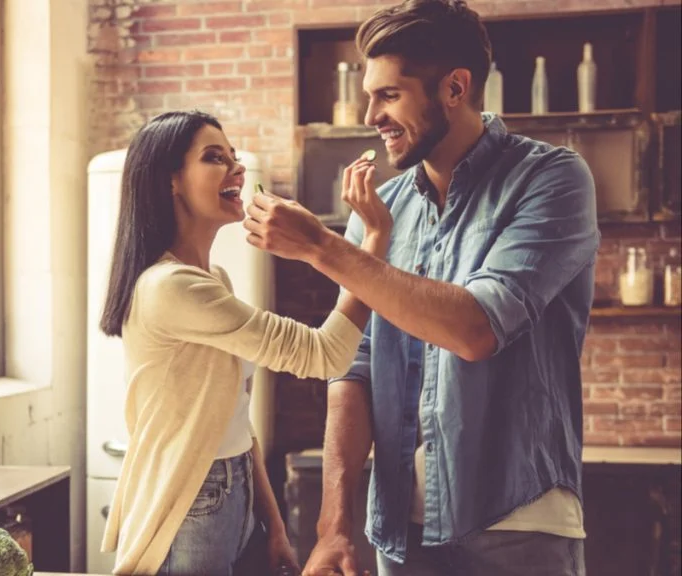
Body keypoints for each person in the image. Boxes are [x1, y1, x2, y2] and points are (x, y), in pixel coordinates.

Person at [243, 1, 599, 575]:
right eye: (369, 96)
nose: (371, 115)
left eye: (388, 96)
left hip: (518, 519)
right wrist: (335, 524)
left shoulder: (552, 179)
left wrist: (323, 247)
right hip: (401, 532)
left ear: (455, 87)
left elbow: (476, 327)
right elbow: (353, 370)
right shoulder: (376, 214)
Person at [97, 110, 393, 576]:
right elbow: (326, 354)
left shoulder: (212, 279)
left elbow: (233, 418)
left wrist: (271, 524)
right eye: (214, 158)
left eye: (233, 156)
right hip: (191, 499)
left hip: (232, 488)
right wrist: (371, 241)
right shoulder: (171, 288)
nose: (236, 168)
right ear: (170, 181)